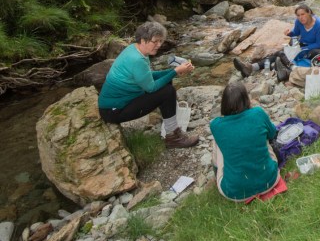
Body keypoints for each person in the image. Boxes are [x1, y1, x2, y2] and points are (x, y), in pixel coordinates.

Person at [98, 20, 199, 148]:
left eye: (160, 41)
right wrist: (175, 71)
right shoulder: (137, 60)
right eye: (155, 41)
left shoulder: (134, 49)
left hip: (122, 101)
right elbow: (151, 88)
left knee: (166, 81)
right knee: (168, 92)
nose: (158, 45)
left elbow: (146, 77)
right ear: (143, 40)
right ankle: (173, 138)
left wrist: (175, 71)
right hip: (114, 111)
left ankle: (170, 123)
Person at [210, 82, 280, 202]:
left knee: (217, 142)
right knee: (263, 137)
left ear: (224, 104)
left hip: (234, 193)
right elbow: (272, 134)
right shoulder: (258, 113)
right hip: (269, 181)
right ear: (246, 99)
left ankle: (217, 174)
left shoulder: (216, 125)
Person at [233, 3, 320, 78]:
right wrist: (289, 33)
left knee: (285, 55)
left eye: (303, 14)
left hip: (315, 49)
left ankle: (286, 68)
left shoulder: (319, 25)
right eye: (298, 15)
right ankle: (251, 67)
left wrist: (303, 49)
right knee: (280, 53)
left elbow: (319, 44)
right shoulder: (299, 22)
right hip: (302, 45)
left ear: (309, 12)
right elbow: (296, 33)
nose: (301, 17)